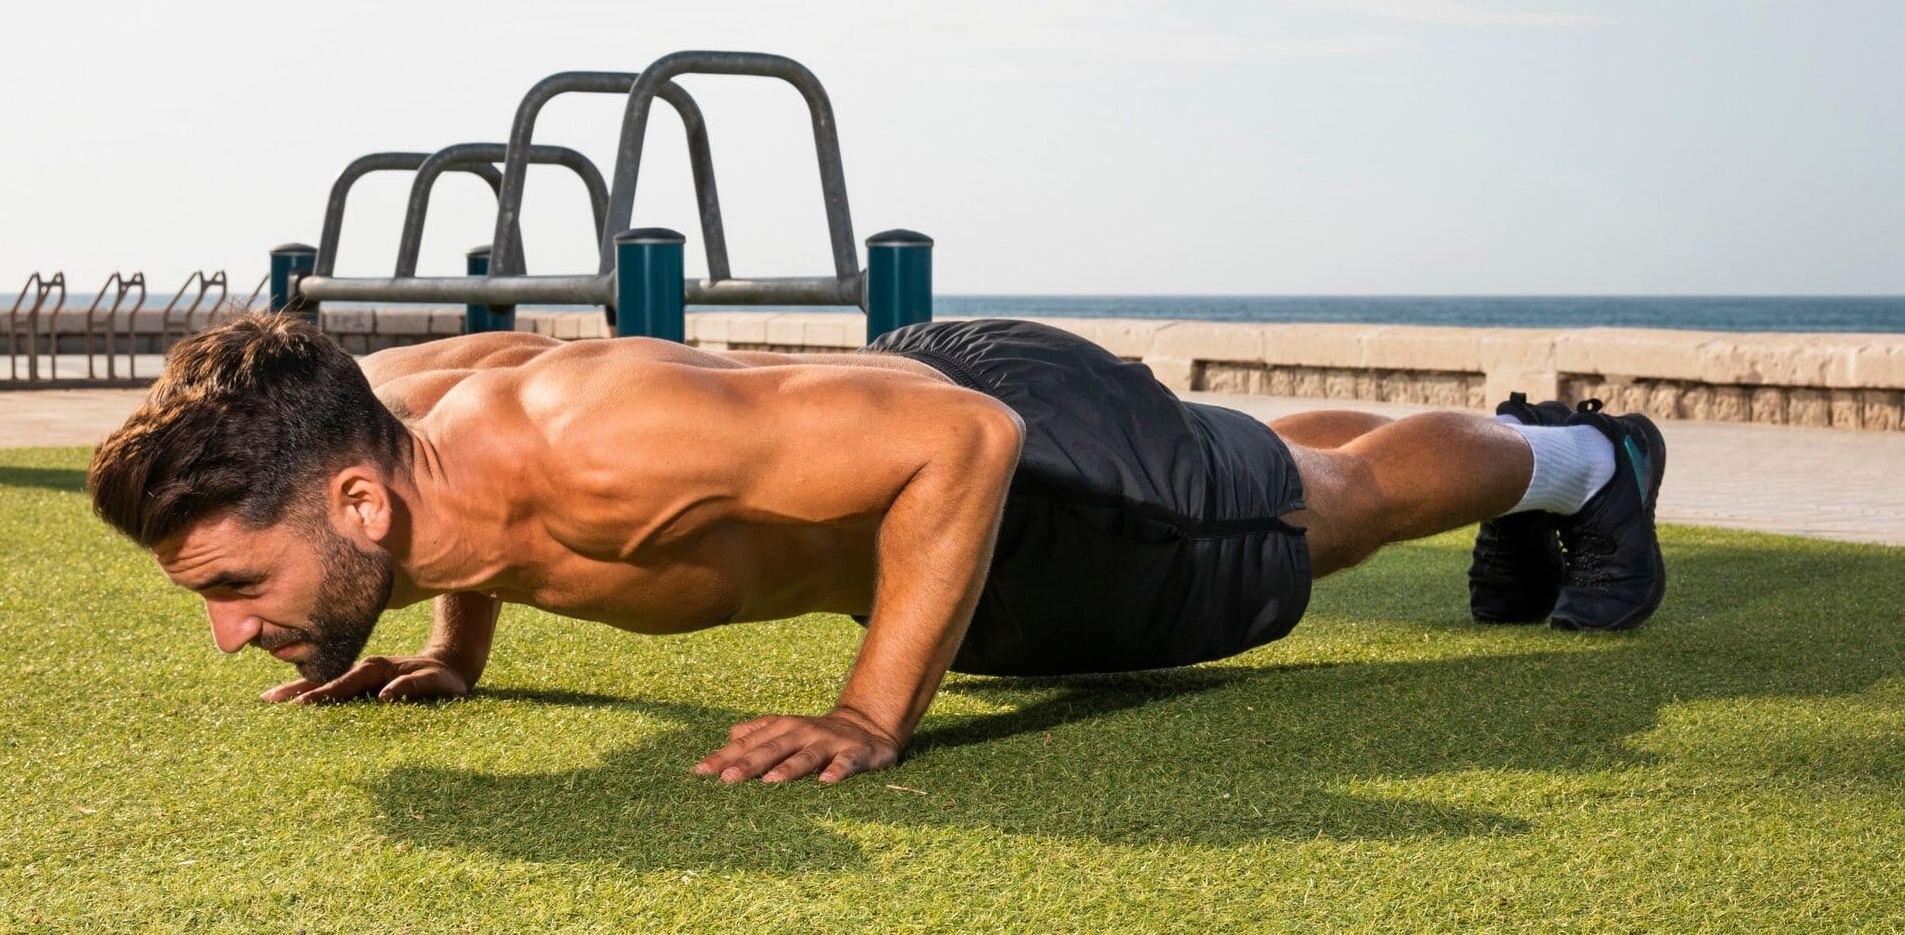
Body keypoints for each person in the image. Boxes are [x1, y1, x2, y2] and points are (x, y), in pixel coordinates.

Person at [86, 313, 1665, 785]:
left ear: (355, 507)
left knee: (1323, 519)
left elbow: (954, 448)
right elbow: (498, 398)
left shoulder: (597, 446)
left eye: (234, 586)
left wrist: (868, 713)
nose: (231, 628)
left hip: (1017, 463)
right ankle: (1511, 469)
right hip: (910, 408)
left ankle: (1589, 455)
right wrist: (440, 643)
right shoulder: (379, 424)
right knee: (1258, 464)